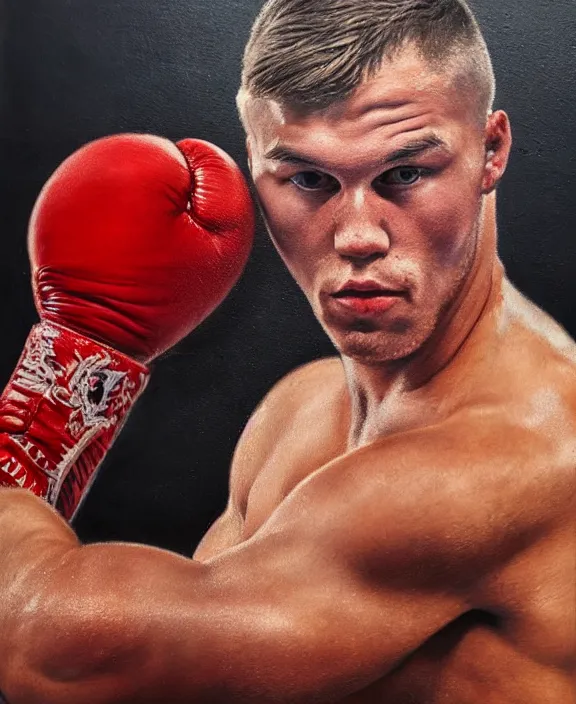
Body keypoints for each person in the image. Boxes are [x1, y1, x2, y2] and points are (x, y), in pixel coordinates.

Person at [0, 0, 574, 702]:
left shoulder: (511, 455)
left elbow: (56, 657)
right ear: (253, 167)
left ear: (492, 151)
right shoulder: (301, 411)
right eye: (308, 180)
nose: (357, 234)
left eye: (404, 174)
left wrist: (57, 383)